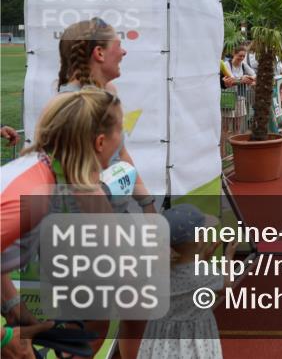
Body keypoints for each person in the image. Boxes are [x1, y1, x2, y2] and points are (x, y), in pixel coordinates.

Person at [1, 89, 122, 356]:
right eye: (120, 130)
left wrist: (13, 308)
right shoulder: (35, 194)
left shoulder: (43, 175)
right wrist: (4, 338)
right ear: (100, 143)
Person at [56, 18, 155, 215]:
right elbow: (84, 188)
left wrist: (147, 204)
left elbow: (121, 153)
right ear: (99, 53)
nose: (124, 52)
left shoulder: (109, 92)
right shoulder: (72, 106)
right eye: (118, 45)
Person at [136, 204, 236, 359]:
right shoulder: (203, 272)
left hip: (162, 336)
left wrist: (203, 258)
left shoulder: (158, 270)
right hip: (195, 336)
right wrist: (228, 258)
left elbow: (185, 272)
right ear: (198, 240)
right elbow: (226, 287)